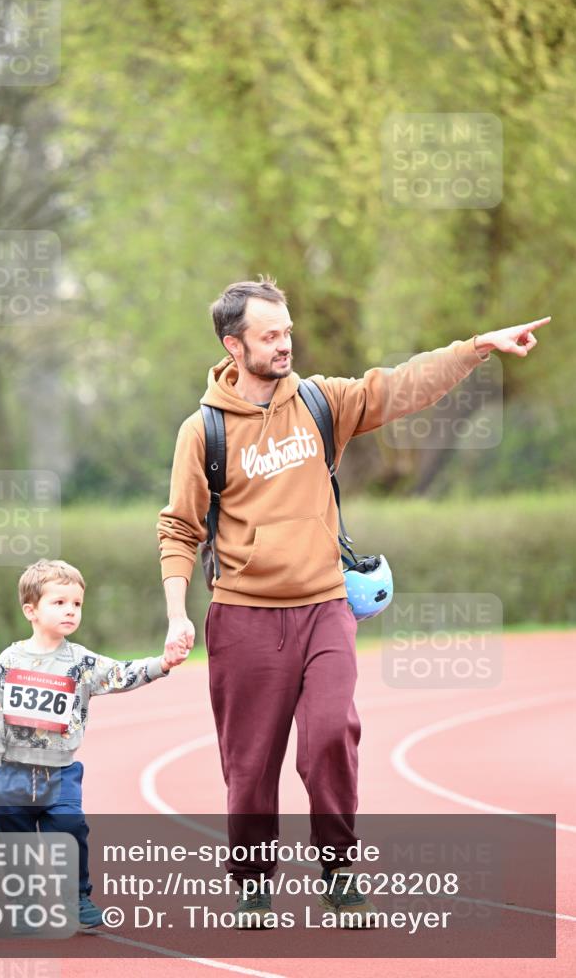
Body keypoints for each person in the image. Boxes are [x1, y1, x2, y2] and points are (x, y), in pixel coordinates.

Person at [156, 278, 550, 927]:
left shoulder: (321, 402)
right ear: (233, 345)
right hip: (244, 617)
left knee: (330, 735)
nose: (284, 344)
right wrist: (176, 613)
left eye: (287, 331)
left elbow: (399, 386)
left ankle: (339, 872)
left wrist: (477, 346)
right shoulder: (203, 432)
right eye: (269, 336)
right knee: (249, 765)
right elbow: (178, 528)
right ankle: (252, 883)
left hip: (324, 607)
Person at [0, 558, 188, 930]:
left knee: (70, 826)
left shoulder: (80, 662)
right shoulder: (9, 660)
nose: (70, 610)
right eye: (59, 602)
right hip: (12, 771)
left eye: (76, 604)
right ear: (31, 610)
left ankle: (76, 897)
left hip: (60, 771)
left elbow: (120, 673)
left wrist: (162, 663)